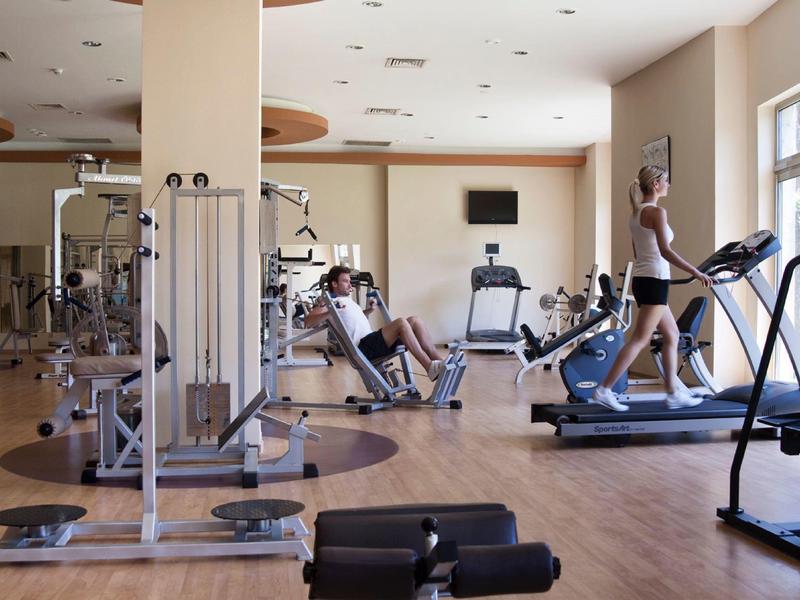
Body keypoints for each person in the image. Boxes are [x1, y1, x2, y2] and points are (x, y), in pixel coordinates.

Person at [592, 165, 715, 412]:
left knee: (672, 335)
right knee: (640, 338)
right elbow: (665, 251)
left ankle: (673, 393)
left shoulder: (635, 213)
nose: (669, 185)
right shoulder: (658, 212)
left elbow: (638, 252)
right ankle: (604, 389)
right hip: (656, 279)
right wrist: (696, 272)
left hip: (643, 279)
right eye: (666, 181)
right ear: (656, 184)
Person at [305, 265, 447, 381]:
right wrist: (331, 311)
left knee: (415, 321)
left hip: (372, 341)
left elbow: (352, 320)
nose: (350, 284)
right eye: (345, 281)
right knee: (401, 323)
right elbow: (308, 322)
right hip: (363, 348)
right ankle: (429, 367)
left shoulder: (347, 301)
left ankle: (440, 363)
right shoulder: (328, 302)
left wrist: (369, 310)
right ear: (334, 283)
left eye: (349, 281)